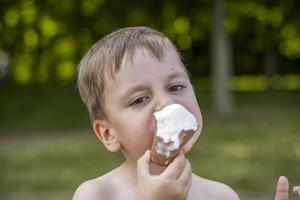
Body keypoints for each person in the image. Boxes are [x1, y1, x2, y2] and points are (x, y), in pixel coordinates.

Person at [73, 26, 299, 200]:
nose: (167, 102)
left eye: (176, 87)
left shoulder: (220, 196)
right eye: (140, 99)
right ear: (108, 133)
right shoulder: (97, 195)